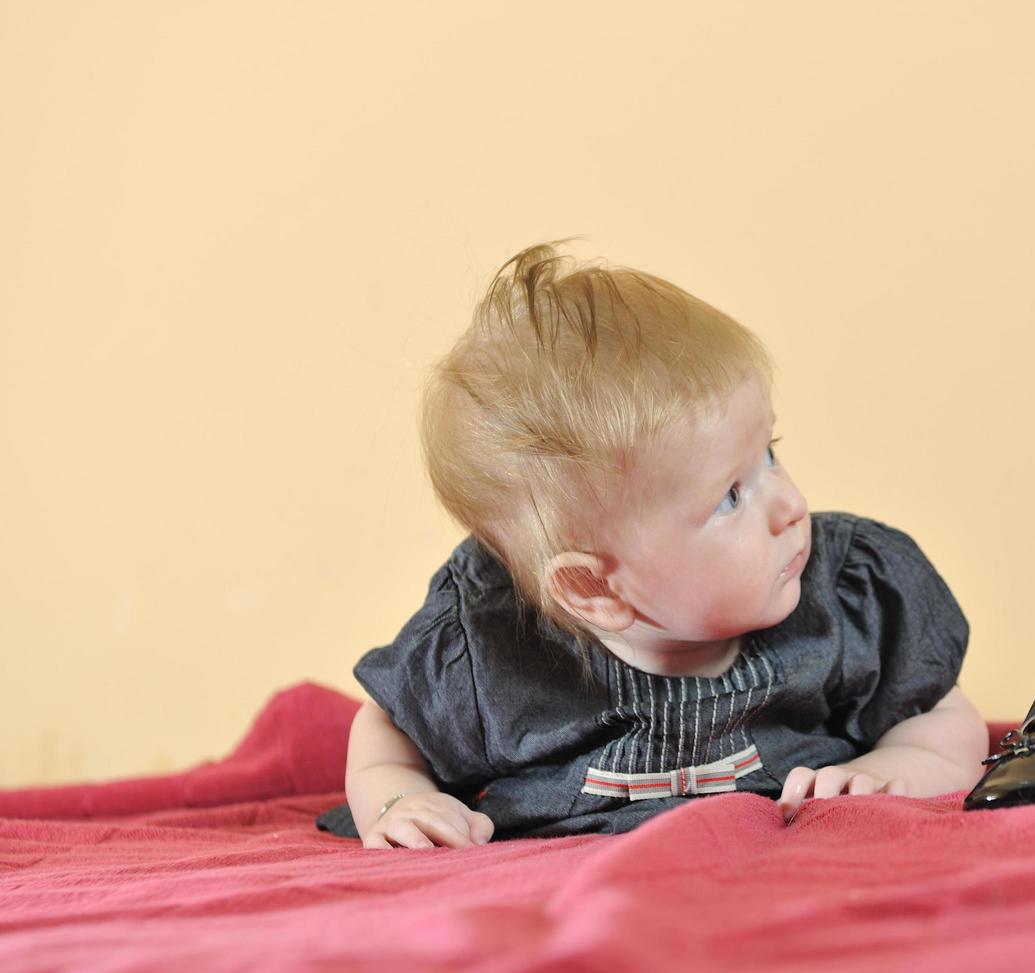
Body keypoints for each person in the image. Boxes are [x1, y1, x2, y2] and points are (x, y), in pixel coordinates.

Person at [314, 240, 991, 847]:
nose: (790, 506)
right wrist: (403, 798)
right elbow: (389, 731)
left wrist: (894, 768)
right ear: (594, 587)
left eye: (771, 455)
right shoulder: (490, 652)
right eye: (730, 495)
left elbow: (939, 712)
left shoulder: (839, 603)